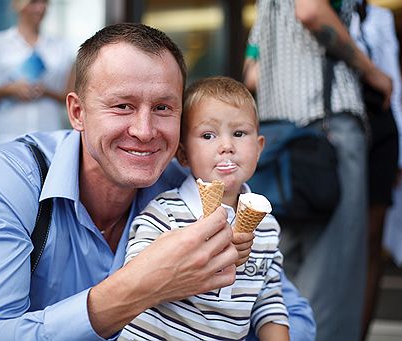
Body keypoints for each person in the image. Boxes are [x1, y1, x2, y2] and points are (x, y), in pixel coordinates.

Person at [0, 23, 315, 341]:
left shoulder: (187, 191)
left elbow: (284, 308)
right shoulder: (8, 180)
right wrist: (140, 286)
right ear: (77, 112)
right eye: (122, 106)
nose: (144, 131)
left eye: (163, 108)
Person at [243, 1, 392, 340]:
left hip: (277, 134)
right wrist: (370, 71)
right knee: (333, 276)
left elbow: (252, 71)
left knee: (280, 273)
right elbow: (310, 10)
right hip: (326, 130)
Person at [120, 76, 290, 340]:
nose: (226, 146)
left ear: (258, 149)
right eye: (208, 135)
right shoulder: (163, 213)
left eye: (239, 133)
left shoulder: (267, 228)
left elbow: (268, 302)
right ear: (184, 154)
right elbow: (134, 279)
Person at [350, 1, 402, 338]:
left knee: (373, 241)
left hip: (381, 125)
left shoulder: (382, 17)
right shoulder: (329, 10)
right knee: (343, 237)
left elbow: (394, 87)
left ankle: (361, 332)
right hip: (343, 124)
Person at [0, 0, 75, 148]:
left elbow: (72, 94)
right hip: (5, 138)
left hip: (50, 139)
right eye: (33, 2)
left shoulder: (61, 48)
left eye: (44, 2)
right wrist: (9, 90)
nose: (40, 8)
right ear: (18, 4)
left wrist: (46, 92)